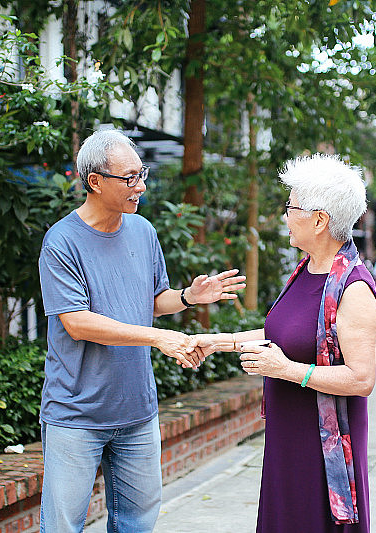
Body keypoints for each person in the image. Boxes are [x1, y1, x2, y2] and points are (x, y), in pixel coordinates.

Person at [37, 129, 246, 533]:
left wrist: (188, 296)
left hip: (137, 411)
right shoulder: (61, 242)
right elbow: (77, 322)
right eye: (129, 177)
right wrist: (156, 337)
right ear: (95, 181)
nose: (141, 186)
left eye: (141, 174)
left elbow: (151, 299)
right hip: (76, 414)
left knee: (137, 523)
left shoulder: (143, 232)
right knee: (63, 526)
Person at [195, 154, 376, 532]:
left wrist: (287, 371)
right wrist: (217, 342)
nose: (285, 216)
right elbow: (282, 335)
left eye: (291, 207)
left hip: (321, 445)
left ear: (319, 219)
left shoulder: (353, 287)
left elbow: (362, 379)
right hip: (288, 436)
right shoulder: (307, 269)